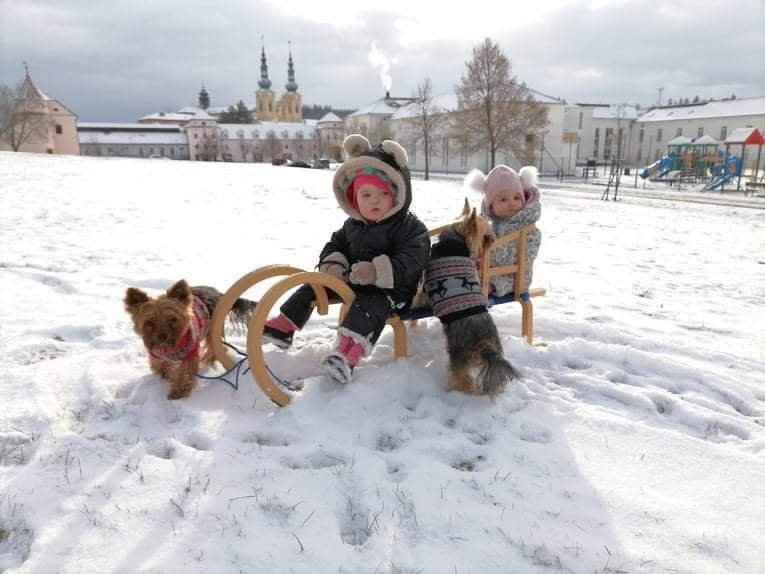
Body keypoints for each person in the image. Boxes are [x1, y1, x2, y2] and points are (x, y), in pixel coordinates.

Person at [263, 134, 430, 384]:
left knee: (368, 305)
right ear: (353, 200)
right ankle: (285, 325)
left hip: (393, 291)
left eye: (383, 194)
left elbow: (412, 260)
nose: (374, 200)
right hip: (352, 281)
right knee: (314, 284)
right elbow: (334, 244)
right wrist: (333, 264)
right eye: (366, 195)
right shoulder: (352, 225)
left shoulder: (409, 227)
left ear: (397, 196)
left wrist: (376, 272)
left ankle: (346, 355)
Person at [465, 164, 542, 297]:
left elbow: (525, 256)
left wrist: (485, 252)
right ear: (491, 206)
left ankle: (479, 291)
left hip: (514, 277)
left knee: (483, 283)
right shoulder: (487, 224)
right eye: (503, 199)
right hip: (484, 270)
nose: (511, 203)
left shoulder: (528, 228)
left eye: (517, 198)